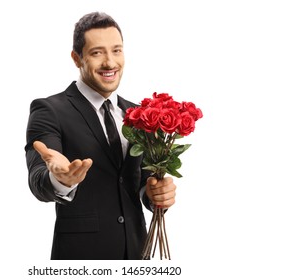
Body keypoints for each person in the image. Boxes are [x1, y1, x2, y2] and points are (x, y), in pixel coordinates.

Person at [24, 12, 176, 260]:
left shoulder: (138, 114)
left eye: (117, 50)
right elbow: (38, 180)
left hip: (138, 255)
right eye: (97, 53)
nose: (110, 62)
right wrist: (60, 179)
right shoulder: (48, 110)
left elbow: (142, 184)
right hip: (81, 260)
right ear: (77, 58)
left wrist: (154, 195)